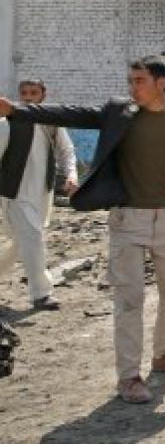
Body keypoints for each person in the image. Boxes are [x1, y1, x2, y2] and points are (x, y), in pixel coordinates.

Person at [0, 56, 165, 404]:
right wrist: (16, 110)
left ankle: (164, 355)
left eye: (139, 81)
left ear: (161, 84)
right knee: (129, 300)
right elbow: (70, 114)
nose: (132, 87)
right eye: (130, 81)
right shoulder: (118, 112)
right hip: (127, 221)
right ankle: (129, 377)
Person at [0, 79, 78, 310]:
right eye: (24, 93)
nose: (28, 97)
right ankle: (41, 294)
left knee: (21, 242)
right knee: (33, 237)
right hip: (15, 193)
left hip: (43, 192)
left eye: (33, 93)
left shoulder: (51, 122)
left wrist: (71, 175)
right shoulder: (6, 124)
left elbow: (66, 150)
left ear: (43, 95)